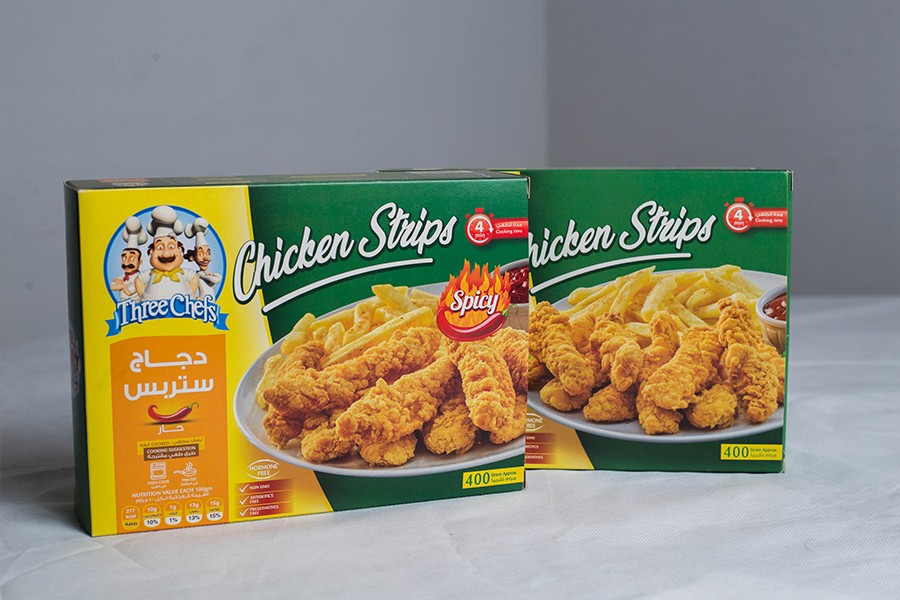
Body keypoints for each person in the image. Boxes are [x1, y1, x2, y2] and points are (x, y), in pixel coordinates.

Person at [135, 206, 199, 300]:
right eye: (160, 247)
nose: (166, 254)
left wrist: (190, 295)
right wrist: (144, 297)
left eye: (171, 247)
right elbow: (139, 280)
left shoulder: (183, 273)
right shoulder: (149, 274)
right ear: (152, 251)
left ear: (179, 249)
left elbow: (194, 277)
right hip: (152, 307)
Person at [110, 216, 147, 301]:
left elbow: (129, 292)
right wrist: (124, 285)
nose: (126, 263)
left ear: (140, 262)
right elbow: (112, 287)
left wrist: (121, 285)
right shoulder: (123, 276)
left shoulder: (140, 277)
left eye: (132, 259)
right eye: (124, 258)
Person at [184, 218, 222, 299]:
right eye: (200, 254)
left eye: (208, 253)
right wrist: (213, 276)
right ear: (192, 257)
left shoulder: (206, 274)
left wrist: (212, 275)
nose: (206, 258)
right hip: (204, 302)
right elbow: (216, 279)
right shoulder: (199, 274)